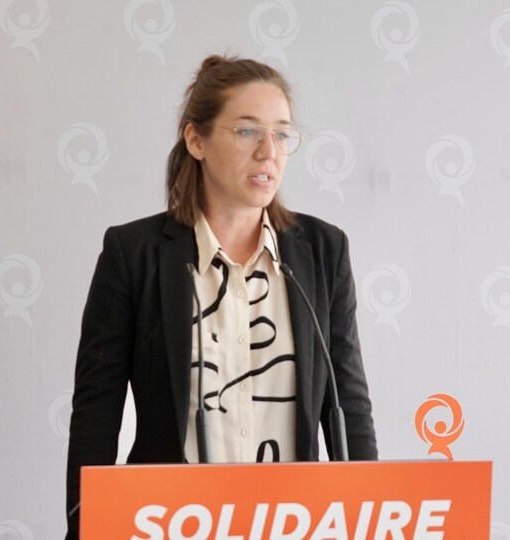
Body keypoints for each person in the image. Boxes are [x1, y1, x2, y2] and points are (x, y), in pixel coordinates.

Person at [65, 55, 377, 538]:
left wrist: (370, 518)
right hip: (170, 522)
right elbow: (97, 410)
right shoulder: (134, 254)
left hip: (296, 523)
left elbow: (349, 402)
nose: (268, 152)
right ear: (196, 140)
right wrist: (83, 526)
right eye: (248, 131)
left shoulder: (322, 251)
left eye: (282, 133)